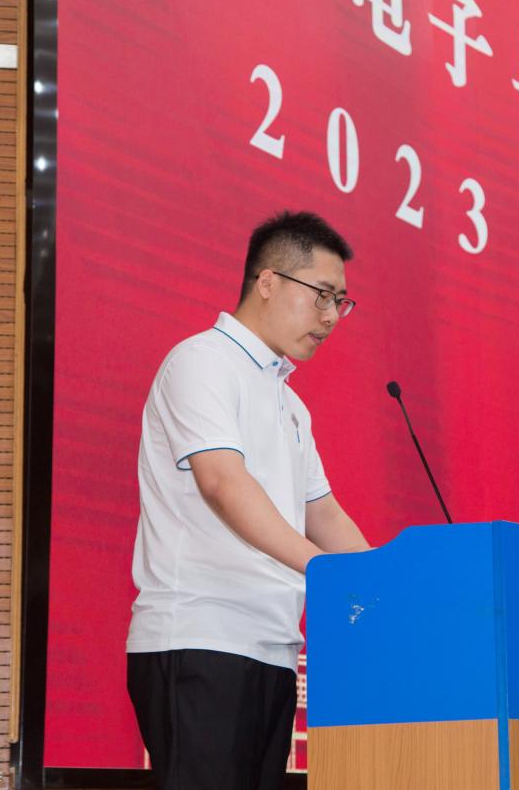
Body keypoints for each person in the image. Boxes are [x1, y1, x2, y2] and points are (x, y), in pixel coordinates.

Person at [126, 210, 368, 790]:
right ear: (267, 281)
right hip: (200, 638)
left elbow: (323, 514)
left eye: (341, 302)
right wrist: (327, 573)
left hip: (272, 648)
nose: (331, 316)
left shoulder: (290, 402)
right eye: (322, 295)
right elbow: (222, 483)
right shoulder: (202, 362)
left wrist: (386, 586)